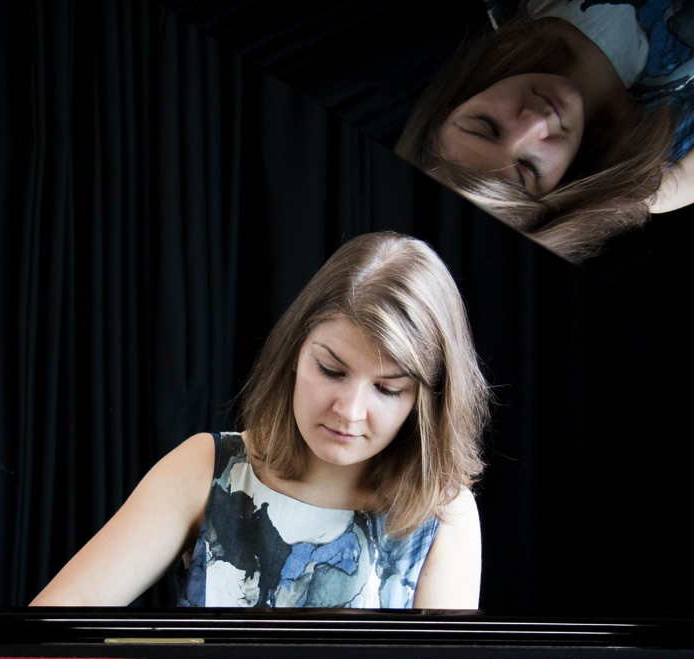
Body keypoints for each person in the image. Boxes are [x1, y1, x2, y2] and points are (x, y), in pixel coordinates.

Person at [30, 232, 490, 609]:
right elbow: (50, 633)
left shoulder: (443, 512)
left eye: (388, 390)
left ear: (428, 401)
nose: (350, 411)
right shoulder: (206, 466)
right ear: (295, 353)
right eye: (331, 370)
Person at [396, 2, 694, 262]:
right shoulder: (663, 179)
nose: (535, 122)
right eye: (529, 167)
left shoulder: (514, 10)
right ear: (557, 196)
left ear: (454, 103)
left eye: (486, 126)